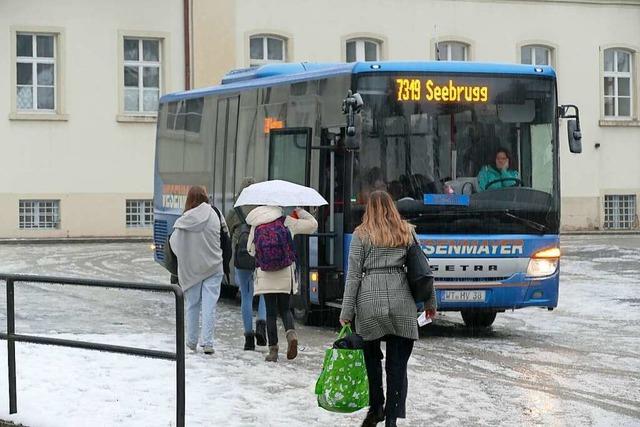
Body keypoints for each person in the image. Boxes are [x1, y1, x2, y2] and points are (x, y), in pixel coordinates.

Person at [339, 191, 437, 427]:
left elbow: (353, 276)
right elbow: (422, 270)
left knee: (371, 359)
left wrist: (346, 312)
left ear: (368, 209)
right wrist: (430, 303)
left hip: (370, 303)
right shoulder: (406, 231)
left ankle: (376, 407)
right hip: (401, 301)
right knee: (397, 366)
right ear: (392, 207)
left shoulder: (361, 234)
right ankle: (391, 418)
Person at [246, 206, 318, 362]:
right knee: (285, 309)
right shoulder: (286, 221)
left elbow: (250, 250)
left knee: (271, 313)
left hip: (265, 274)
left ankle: (273, 351)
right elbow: (313, 225)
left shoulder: (256, 223)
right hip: (285, 272)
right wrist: (299, 211)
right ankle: (291, 334)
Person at [169, 186, 227, 355]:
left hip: (193, 270)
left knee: (192, 305)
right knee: (210, 306)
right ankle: (208, 343)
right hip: (214, 266)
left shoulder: (185, 220)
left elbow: (174, 244)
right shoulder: (216, 214)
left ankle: (191, 342)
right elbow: (225, 236)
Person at [225, 177, 267, 351]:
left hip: (241, 259)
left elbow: (227, 231)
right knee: (264, 293)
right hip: (261, 257)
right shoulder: (264, 210)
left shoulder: (235, 211)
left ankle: (248, 338)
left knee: (246, 296)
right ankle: (262, 326)